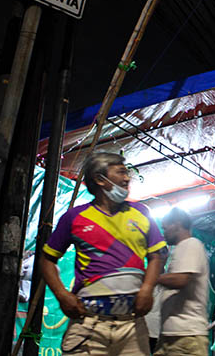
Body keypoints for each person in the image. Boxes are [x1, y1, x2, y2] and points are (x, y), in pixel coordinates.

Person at [40, 152, 166, 356]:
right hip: (87, 325)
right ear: (100, 179)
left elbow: (156, 256)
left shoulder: (142, 213)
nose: (127, 179)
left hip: (132, 326)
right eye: (121, 172)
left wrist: (147, 289)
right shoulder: (75, 217)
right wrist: (62, 295)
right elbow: (47, 260)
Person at [155, 207, 210, 356]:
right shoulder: (180, 249)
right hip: (172, 335)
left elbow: (181, 280)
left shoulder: (191, 244)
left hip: (186, 338)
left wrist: (150, 278)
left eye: (165, 228)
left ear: (177, 224)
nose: (163, 233)